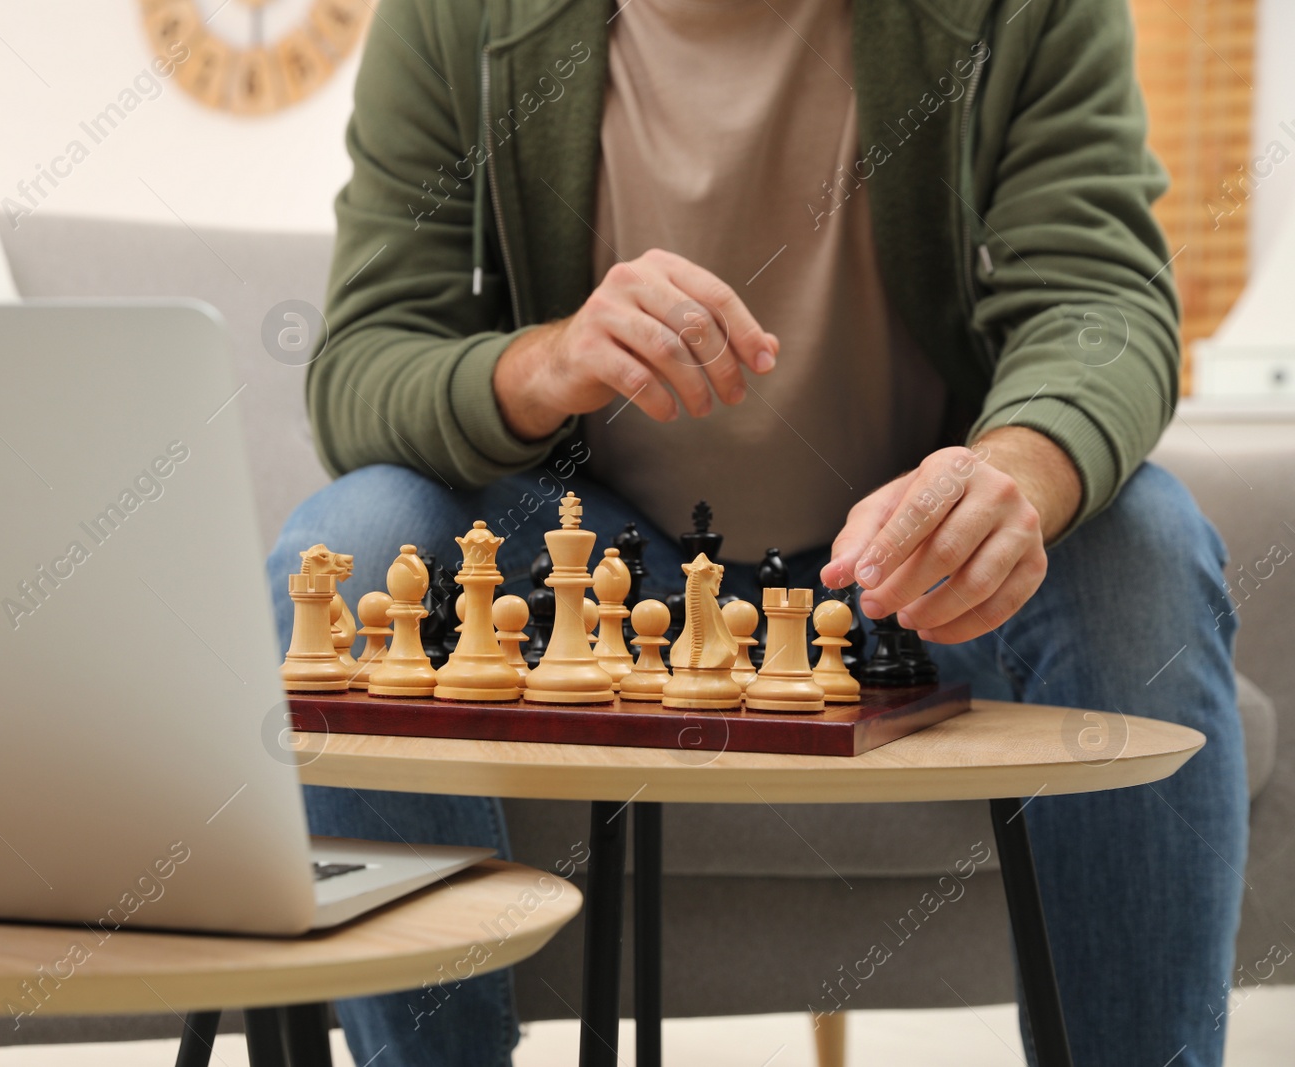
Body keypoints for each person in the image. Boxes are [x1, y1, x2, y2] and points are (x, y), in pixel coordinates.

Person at [268, 0, 1247, 1064]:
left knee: (1141, 544)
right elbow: (362, 365)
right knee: (351, 540)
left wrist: (1012, 468)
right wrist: (543, 362)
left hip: (903, 571)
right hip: (592, 572)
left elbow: (1100, 296)